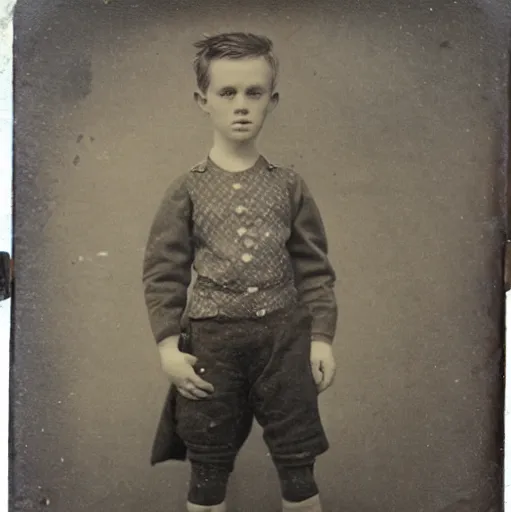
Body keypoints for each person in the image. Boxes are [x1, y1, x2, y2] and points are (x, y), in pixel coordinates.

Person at [142, 32, 338, 512]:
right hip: (213, 343)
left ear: (272, 100)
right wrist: (169, 347)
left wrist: (321, 338)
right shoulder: (186, 189)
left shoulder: (289, 185)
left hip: (283, 341)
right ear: (202, 100)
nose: (241, 106)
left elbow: (314, 270)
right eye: (227, 93)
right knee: (208, 470)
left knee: (298, 464)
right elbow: (163, 272)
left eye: (254, 92)